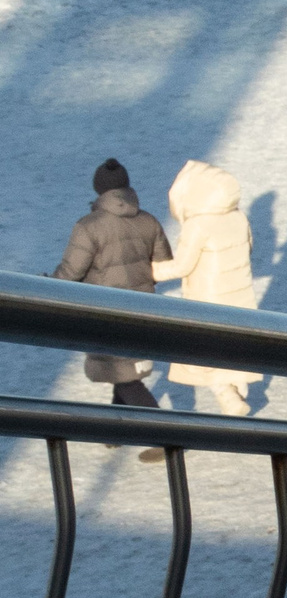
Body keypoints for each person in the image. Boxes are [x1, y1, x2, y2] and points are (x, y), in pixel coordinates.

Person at [51, 158, 174, 433]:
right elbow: (163, 264)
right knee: (124, 369)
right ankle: (114, 428)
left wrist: (49, 288)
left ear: (99, 188)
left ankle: (163, 434)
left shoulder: (88, 226)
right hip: (142, 307)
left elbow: (72, 271)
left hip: (105, 311)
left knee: (125, 375)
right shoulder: (149, 221)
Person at [152, 160, 258, 417]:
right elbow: (249, 248)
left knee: (203, 349)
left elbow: (181, 267)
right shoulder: (238, 216)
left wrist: (148, 270)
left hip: (207, 295)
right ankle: (238, 386)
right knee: (234, 344)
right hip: (240, 291)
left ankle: (228, 396)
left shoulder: (198, 224)